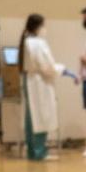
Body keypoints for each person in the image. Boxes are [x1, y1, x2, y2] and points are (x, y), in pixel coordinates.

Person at [21, 14, 65, 161]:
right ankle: (40, 152)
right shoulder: (37, 43)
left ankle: (33, 152)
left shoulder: (27, 41)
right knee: (41, 116)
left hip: (32, 82)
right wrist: (61, 69)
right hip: (40, 84)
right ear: (38, 26)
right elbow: (47, 67)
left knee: (32, 118)